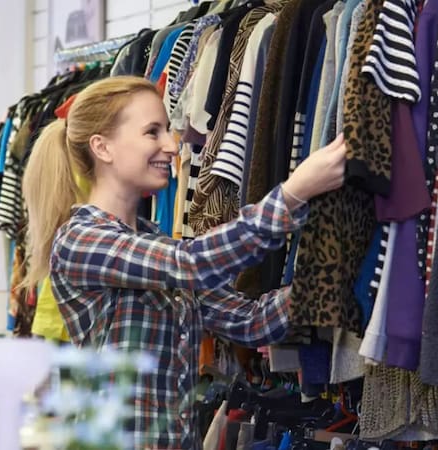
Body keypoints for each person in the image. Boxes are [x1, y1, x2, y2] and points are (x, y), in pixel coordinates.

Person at [21, 76, 346, 449]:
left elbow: (253, 322)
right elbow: (192, 263)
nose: (172, 145)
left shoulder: (153, 246)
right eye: (152, 132)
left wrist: (337, 267)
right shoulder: (81, 240)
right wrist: (292, 194)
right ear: (103, 147)